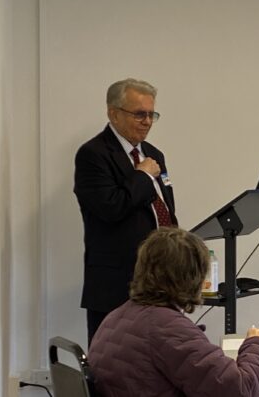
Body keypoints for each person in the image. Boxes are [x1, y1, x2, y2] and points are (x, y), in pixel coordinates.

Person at [89, 227, 259, 396]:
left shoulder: (116, 317)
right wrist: (258, 344)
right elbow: (242, 390)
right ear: (193, 277)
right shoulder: (166, 328)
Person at [74, 78, 177, 345]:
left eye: (151, 114)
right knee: (113, 360)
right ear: (114, 113)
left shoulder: (154, 154)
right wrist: (142, 176)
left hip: (160, 278)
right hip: (116, 284)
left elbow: (165, 209)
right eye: (139, 114)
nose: (147, 122)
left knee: (156, 357)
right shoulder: (93, 154)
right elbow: (111, 207)